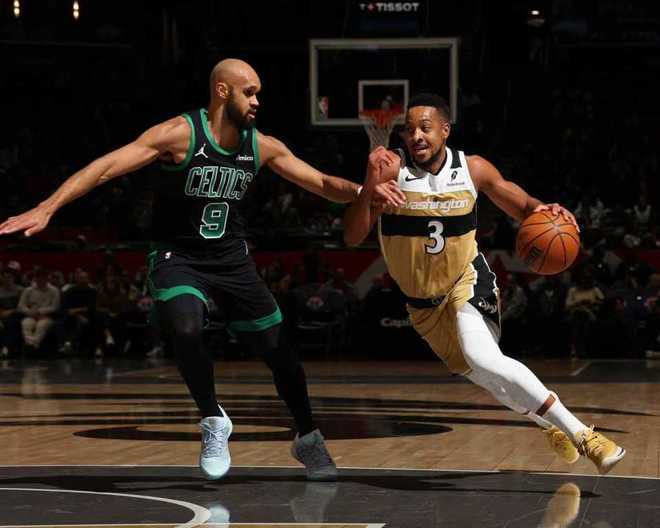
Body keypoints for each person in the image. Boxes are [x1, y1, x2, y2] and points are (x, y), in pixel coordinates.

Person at [0, 58, 388, 481]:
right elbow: (105, 167)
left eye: (258, 93)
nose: (257, 101)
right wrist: (48, 206)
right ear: (222, 91)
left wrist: (365, 190)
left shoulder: (261, 145)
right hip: (178, 256)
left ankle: (307, 436)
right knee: (185, 328)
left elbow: (322, 183)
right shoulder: (179, 134)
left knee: (282, 357)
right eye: (249, 92)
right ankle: (213, 419)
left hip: (232, 260)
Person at [344, 93, 625, 474]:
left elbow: (524, 206)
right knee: (488, 377)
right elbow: (352, 236)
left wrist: (547, 210)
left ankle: (585, 435)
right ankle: (549, 424)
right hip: (422, 304)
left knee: (483, 357)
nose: (416, 136)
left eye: (425, 128)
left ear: (445, 130)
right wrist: (368, 184)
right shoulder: (389, 169)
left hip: (467, 280)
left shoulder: (472, 169)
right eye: (409, 130)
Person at [17, 268, 60, 351]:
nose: (40, 280)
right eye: (38, 278)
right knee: (26, 324)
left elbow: (55, 307)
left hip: (46, 316)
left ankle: (32, 345)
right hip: (31, 315)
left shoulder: (54, 290)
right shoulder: (28, 290)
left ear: (47, 278)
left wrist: (40, 311)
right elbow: (20, 306)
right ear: (35, 278)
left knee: (41, 325)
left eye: (43, 278)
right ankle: (31, 345)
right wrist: (29, 312)